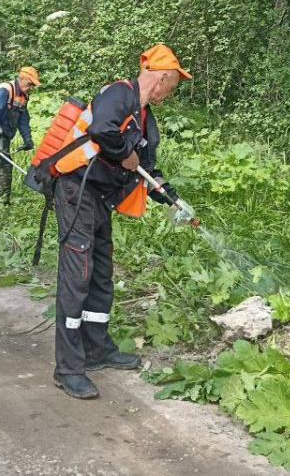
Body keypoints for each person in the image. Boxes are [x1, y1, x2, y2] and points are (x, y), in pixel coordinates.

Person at [52, 44, 191, 399]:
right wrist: (125, 155)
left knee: (100, 273)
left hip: (99, 198)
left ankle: (97, 350)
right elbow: (103, 130)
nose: (170, 93)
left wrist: (172, 198)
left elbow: (147, 169)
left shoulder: (145, 119)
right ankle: (68, 368)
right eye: (172, 86)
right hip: (74, 191)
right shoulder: (118, 95)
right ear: (160, 78)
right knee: (77, 275)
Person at [0, 66, 40, 205]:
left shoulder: (23, 96)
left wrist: (27, 139)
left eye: (33, 85)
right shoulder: (5, 89)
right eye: (30, 84)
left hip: (6, 135)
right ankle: (3, 204)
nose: (31, 87)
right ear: (23, 78)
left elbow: (23, 119)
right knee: (4, 167)